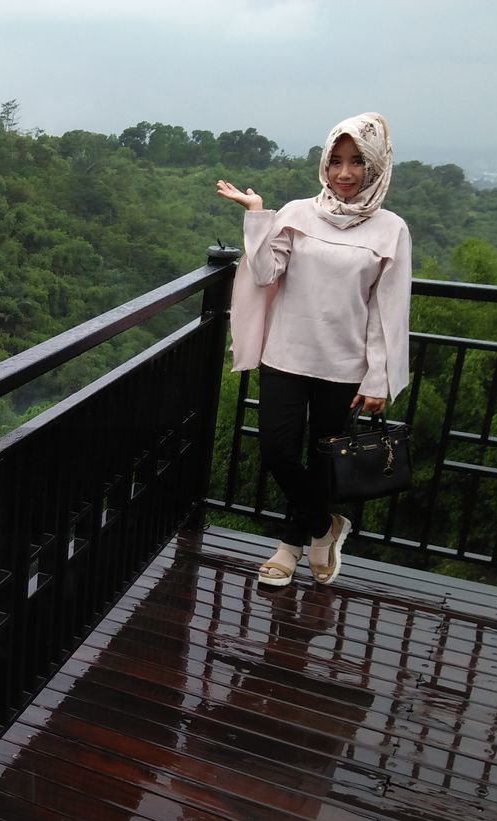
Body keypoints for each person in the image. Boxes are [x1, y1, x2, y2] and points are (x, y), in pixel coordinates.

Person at [215, 112, 411, 587]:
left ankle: (288, 547)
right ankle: (326, 527)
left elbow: (388, 311)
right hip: (285, 355)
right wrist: (258, 215)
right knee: (277, 452)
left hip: (344, 366)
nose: (344, 174)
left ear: (377, 167)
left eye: (357, 163)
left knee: (324, 462)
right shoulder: (297, 214)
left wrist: (379, 379)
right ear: (324, 164)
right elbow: (264, 274)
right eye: (336, 162)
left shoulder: (391, 230)